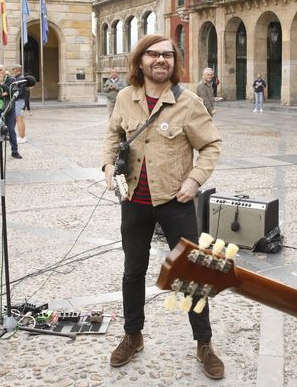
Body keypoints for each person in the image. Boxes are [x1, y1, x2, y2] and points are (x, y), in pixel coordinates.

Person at [101, 34, 224, 379]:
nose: (160, 60)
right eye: (153, 54)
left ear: (174, 61)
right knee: (133, 271)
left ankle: (204, 343)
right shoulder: (126, 98)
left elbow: (211, 145)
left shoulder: (189, 102)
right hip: (134, 202)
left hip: (176, 202)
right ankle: (133, 335)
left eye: (167, 55)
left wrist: (195, 180)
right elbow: (113, 136)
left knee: (190, 274)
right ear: (140, 61)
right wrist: (108, 165)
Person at [0, 64, 21, 161]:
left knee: (11, 130)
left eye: (0, 70)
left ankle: (14, 151)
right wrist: (2, 95)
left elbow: (13, 93)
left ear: (4, 70)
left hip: (9, 110)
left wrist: (3, 84)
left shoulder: (12, 80)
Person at [11, 64, 29, 143]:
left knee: (19, 120)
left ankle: (22, 137)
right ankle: (22, 136)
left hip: (19, 101)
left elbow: (20, 92)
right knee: (20, 119)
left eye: (13, 69)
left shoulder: (20, 79)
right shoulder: (19, 78)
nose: (13, 71)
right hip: (20, 101)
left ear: (16, 69)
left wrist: (14, 96)